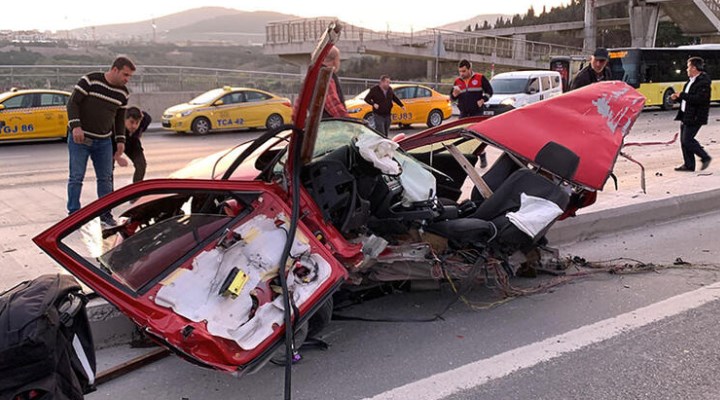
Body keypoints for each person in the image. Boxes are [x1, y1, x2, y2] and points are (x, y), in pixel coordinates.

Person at [66, 56, 135, 225]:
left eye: (129, 76)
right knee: (76, 177)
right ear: (114, 70)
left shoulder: (123, 93)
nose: (127, 79)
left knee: (105, 178)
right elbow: (72, 103)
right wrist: (76, 126)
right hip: (80, 139)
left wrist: (120, 140)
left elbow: (119, 118)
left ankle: (106, 216)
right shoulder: (90, 80)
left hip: (104, 141)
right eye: (125, 75)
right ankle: (73, 214)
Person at [671, 56, 712, 172]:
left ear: (694, 68)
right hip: (685, 114)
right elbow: (687, 98)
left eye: (688, 67)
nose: (687, 69)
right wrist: (677, 98)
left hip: (696, 115)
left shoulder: (703, 82)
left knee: (688, 140)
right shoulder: (690, 81)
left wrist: (682, 95)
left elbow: (699, 99)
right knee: (684, 142)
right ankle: (689, 165)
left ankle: (705, 157)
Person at [450, 59, 493, 168]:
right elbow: (452, 98)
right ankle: (467, 159)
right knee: (462, 135)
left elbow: (489, 91)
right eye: (460, 71)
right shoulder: (457, 81)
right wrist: (454, 95)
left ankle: (482, 154)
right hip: (463, 113)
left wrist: (483, 99)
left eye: (464, 71)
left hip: (476, 112)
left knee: (477, 136)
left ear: (470, 69)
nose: (462, 74)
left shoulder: (480, 78)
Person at [119, 106, 151, 183]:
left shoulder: (144, 120)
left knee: (141, 164)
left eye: (137, 123)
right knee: (108, 168)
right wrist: (117, 157)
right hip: (117, 142)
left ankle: (136, 187)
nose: (134, 126)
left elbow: (147, 118)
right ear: (124, 119)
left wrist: (140, 132)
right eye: (131, 122)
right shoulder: (117, 125)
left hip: (133, 143)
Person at [322, 45, 349, 119]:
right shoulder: (326, 76)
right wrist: (348, 122)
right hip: (329, 126)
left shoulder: (315, 73)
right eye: (339, 59)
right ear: (335, 60)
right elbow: (333, 105)